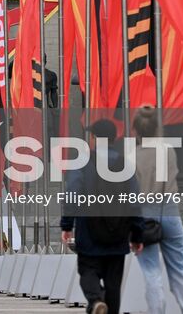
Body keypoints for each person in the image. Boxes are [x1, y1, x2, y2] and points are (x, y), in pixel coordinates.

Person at [60, 119, 144, 314]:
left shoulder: (83, 162)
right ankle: (106, 307)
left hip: (89, 230)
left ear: (95, 138)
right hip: (118, 232)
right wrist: (137, 234)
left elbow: (72, 193)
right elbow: (134, 200)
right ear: (114, 139)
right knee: (113, 283)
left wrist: (66, 225)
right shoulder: (125, 164)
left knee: (88, 271)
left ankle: (96, 299)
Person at [131, 108, 183, 314]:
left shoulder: (132, 157)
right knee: (180, 269)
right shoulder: (168, 150)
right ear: (158, 129)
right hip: (169, 209)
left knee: (151, 272)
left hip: (144, 213)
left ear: (135, 130)